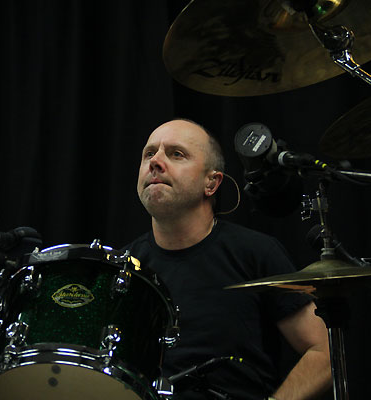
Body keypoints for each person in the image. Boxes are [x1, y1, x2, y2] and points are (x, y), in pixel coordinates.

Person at [123, 118, 331, 400]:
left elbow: (323, 352)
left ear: (212, 182)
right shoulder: (125, 266)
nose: (155, 162)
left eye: (176, 154)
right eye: (149, 153)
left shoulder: (256, 253)